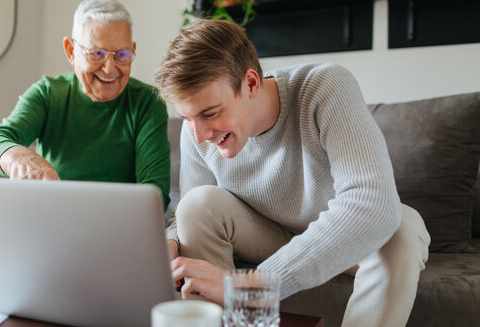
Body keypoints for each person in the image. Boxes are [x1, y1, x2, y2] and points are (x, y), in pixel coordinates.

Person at [155, 19, 430, 327]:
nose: (200, 133)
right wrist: (171, 243)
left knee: (402, 228)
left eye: (210, 113)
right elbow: (185, 216)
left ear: (251, 84)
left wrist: (255, 287)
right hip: (266, 234)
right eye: (186, 118)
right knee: (195, 205)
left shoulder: (326, 86)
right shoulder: (197, 132)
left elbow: (372, 203)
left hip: (348, 239)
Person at [0, 0, 170, 294]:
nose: (110, 68)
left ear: (133, 52)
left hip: (114, 233)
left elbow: (156, 193)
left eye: (122, 55)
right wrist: (16, 158)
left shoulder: (147, 103)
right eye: (97, 54)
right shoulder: (49, 93)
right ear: (70, 50)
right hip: (47, 226)